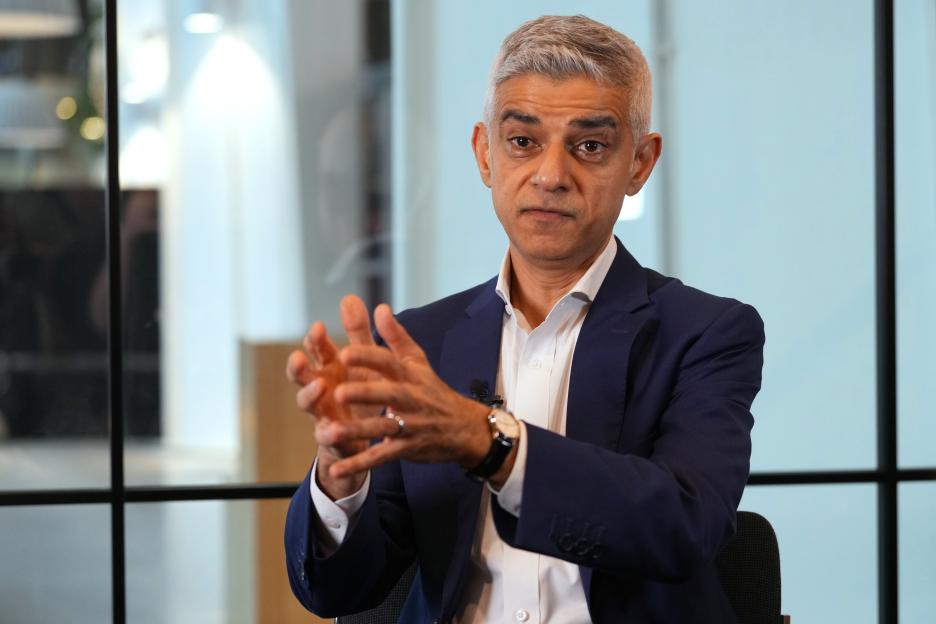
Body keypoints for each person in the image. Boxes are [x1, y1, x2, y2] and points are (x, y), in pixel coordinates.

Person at [284, 14, 764, 624]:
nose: (550, 175)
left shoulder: (707, 334)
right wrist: (338, 476)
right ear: (486, 154)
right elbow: (337, 591)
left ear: (640, 163)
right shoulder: (421, 344)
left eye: (590, 145)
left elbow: (684, 525)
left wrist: (492, 445)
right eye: (523, 141)